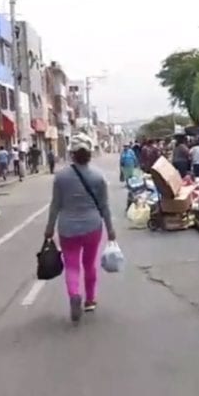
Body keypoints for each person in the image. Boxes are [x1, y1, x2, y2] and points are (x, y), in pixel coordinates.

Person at [44, 133, 116, 323]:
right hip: (93, 227)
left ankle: (74, 294)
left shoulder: (61, 177)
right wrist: (110, 230)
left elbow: (55, 205)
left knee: (72, 265)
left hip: (67, 229)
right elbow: (104, 206)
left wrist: (49, 228)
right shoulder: (98, 177)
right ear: (90, 154)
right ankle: (90, 299)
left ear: (72, 154)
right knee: (89, 264)